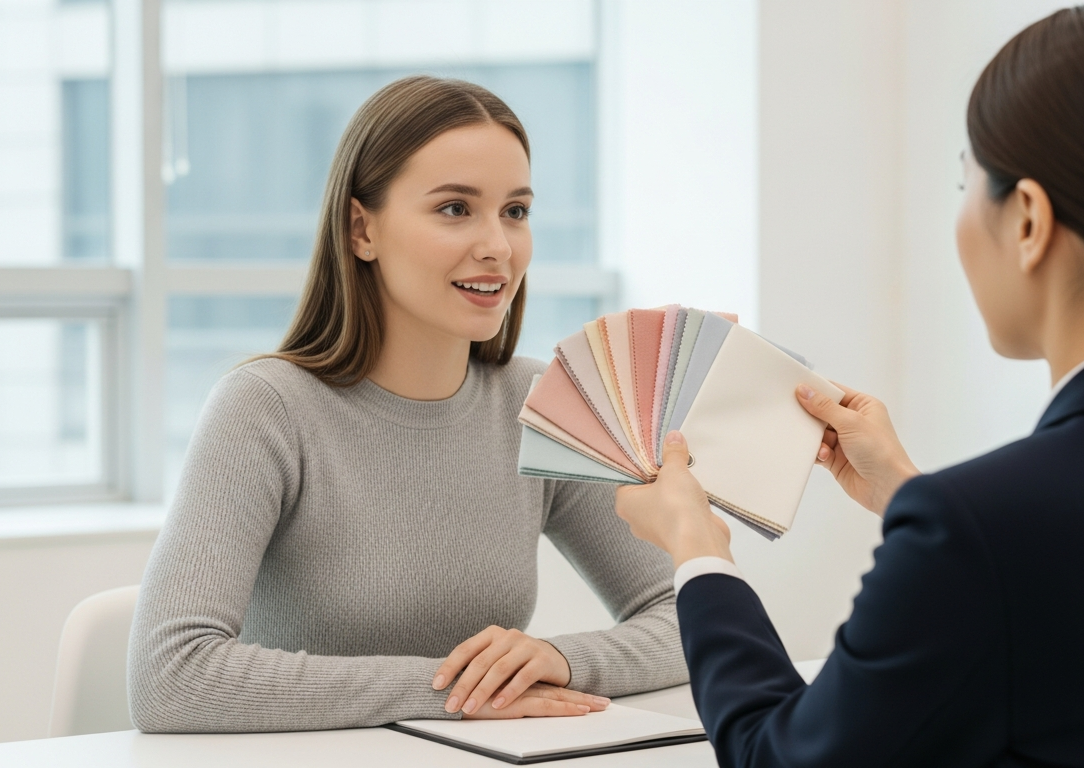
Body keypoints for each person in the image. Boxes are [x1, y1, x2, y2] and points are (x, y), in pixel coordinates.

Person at [614, 1, 1084, 765]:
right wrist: (905, 490)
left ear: (1028, 220)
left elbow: (780, 755)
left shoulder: (980, 530)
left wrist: (697, 550)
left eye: (965, 181)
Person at [127, 76, 687, 733]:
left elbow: (691, 615)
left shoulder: (540, 407)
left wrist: (557, 660)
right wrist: (457, 690)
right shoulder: (265, 409)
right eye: (455, 209)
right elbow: (172, 678)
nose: (498, 247)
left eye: (516, 211)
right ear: (361, 229)